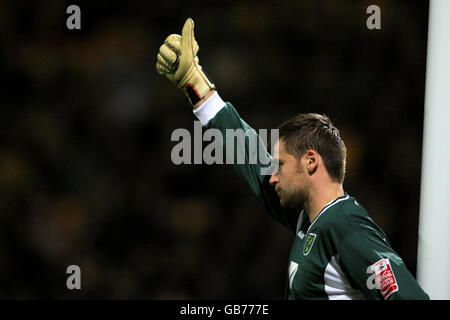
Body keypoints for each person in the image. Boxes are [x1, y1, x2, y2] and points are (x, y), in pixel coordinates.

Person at [156, 18, 430, 300]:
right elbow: (251, 157)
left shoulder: (346, 227)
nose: (272, 175)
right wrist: (194, 83)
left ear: (310, 161)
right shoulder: (310, 220)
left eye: (280, 165)